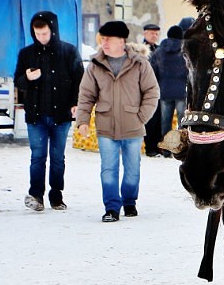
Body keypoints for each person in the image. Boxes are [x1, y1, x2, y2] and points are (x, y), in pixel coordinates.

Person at [75, 20, 160, 222]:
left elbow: (152, 92)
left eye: (108, 39)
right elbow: (86, 95)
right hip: (106, 126)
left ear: (121, 41)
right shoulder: (95, 65)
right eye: (102, 39)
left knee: (132, 170)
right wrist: (83, 120)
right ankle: (112, 208)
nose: (103, 43)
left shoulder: (140, 64)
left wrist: (141, 117)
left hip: (133, 126)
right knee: (108, 169)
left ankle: (129, 201)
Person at [14, 11, 85, 211]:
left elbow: (79, 80)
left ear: (53, 31)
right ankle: (36, 195)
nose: (41, 38)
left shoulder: (69, 52)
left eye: (45, 34)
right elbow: (18, 83)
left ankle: (56, 195)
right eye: (37, 35)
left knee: (57, 158)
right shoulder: (26, 54)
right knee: (37, 156)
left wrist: (75, 103)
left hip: (61, 116)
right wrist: (27, 78)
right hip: (36, 116)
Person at [150, 23, 188, 154]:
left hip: (164, 91)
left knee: (165, 122)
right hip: (182, 92)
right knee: (182, 123)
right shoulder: (185, 51)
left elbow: (153, 71)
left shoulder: (159, 51)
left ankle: (166, 150)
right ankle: (181, 149)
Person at [141, 23, 162, 156]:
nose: (154, 36)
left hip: (159, 87)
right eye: (151, 33)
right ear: (145, 34)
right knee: (150, 119)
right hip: (146, 88)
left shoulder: (160, 49)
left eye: (156, 33)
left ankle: (157, 145)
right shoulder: (141, 50)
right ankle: (150, 147)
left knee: (159, 119)